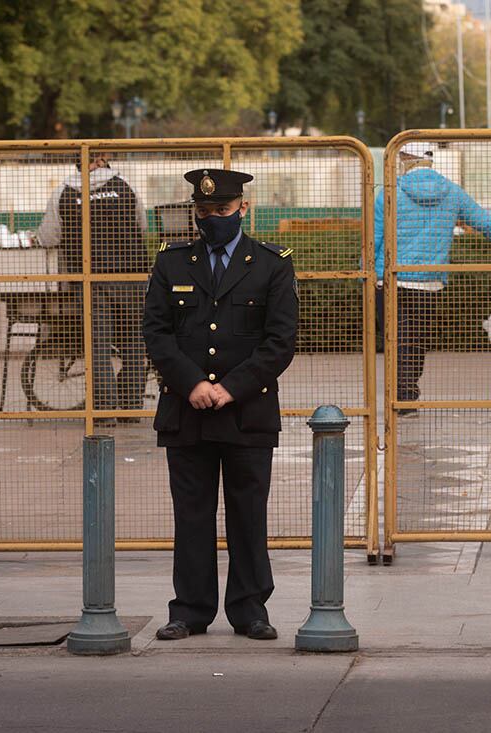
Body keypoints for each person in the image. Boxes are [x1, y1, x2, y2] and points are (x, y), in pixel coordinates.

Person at [143, 168, 298, 641]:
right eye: (204, 211)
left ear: (244, 209)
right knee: (191, 514)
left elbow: (281, 340)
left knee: (248, 513)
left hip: (247, 412)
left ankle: (250, 609)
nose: (212, 219)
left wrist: (233, 387)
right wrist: (191, 382)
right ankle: (189, 610)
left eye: (223, 211)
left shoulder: (272, 264)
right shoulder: (172, 262)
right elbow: (156, 331)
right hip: (186, 410)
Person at [374, 142, 491, 413]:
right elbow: (485, 223)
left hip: (392, 280)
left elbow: (373, 238)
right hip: (429, 282)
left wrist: (371, 273)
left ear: (406, 158)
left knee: (395, 338)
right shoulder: (453, 193)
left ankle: (400, 395)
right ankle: (408, 393)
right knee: (416, 339)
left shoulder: (388, 194)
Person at [38, 153, 150, 423]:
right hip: (131, 276)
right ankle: (132, 407)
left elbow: (49, 236)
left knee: (97, 346)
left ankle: (104, 411)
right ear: (104, 159)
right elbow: (142, 226)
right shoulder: (125, 186)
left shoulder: (63, 192)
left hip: (90, 279)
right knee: (133, 342)